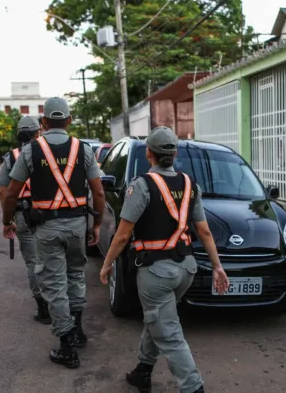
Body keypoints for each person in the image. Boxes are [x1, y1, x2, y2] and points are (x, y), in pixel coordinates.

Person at [99, 126, 230, 393]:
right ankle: (143, 371)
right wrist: (217, 266)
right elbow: (203, 230)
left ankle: (193, 388)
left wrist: (107, 263)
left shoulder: (142, 185)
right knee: (158, 317)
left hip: (156, 273)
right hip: (186, 268)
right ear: (175, 154)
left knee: (169, 333)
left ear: (149, 154)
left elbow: (123, 235)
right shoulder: (190, 184)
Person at [1, 97, 105, 369]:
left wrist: (6, 220)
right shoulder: (83, 149)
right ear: (69, 120)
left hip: (46, 228)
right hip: (76, 225)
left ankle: (67, 346)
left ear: (44, 123)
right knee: (75, 275)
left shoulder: (30, 151)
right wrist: (97, 224)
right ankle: (78, 330)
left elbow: (11, 191)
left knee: (55, 284)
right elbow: (99, 191)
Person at [0, 115, 50, 324]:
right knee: (53, 259)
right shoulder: (48, 153)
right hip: (48, 214)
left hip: (22, 215)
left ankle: (42, 307)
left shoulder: (11, 157)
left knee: (32, 263)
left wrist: (7, 220)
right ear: (39, 132)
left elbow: (4, 192)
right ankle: (60, 305)